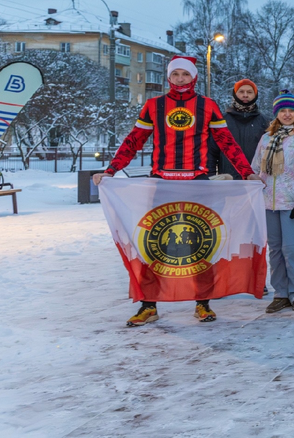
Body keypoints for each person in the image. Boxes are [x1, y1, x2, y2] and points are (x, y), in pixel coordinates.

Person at [93, 55, 254, 326]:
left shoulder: (208, 106)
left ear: (194, 77)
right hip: (163, 184)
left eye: (185, 74)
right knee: (156, 245)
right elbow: (133, 141)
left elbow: (228, 143)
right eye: (176, 74)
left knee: (201, 243)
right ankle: (149, 305)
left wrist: (247, 171)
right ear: (169, 77)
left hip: (197, 184)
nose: (180, 79)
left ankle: (202, 303)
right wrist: (110, 170)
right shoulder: (153, 106)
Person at [253, 91, 294, 313]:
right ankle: (280, 293)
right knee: (275, 250)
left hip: (291, 202)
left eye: (291, 110)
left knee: (291, 249)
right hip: (267, 203)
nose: (287, 114)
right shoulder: (266, 139)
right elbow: (256, 170)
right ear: (276, 114)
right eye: (283, 110)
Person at [207, 78, 269, 179]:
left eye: (249, 92)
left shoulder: (265, 122)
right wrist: (211, 178)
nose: (245, 95)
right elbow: (211, 153)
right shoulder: (221, 121)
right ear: (235, 94)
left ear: (255, 94)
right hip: (228, 181)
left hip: (256, 181)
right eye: (241, 91)